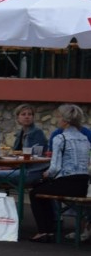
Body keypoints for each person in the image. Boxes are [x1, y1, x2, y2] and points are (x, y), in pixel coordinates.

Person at [29, 104, 91, 243]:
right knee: (43, 189)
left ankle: (44, 230)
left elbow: (55, 168)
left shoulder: (60, 138)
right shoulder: (85, 139)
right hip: (82, 183)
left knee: (35, 193)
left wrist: (46, 174)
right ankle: (50, 228)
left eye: (58, 117)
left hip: (66, 182)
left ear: (65, 120)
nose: (57, 120)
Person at [0, 103, 49, 186]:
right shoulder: (20, 133)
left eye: (30, 114)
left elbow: (35, 157)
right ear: (18, 118)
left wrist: (11, 167)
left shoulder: (37, 133)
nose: (27, 117)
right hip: (22, 168)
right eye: (23, 114)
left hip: (33, 172)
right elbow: (16, 153)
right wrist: (8, 166)